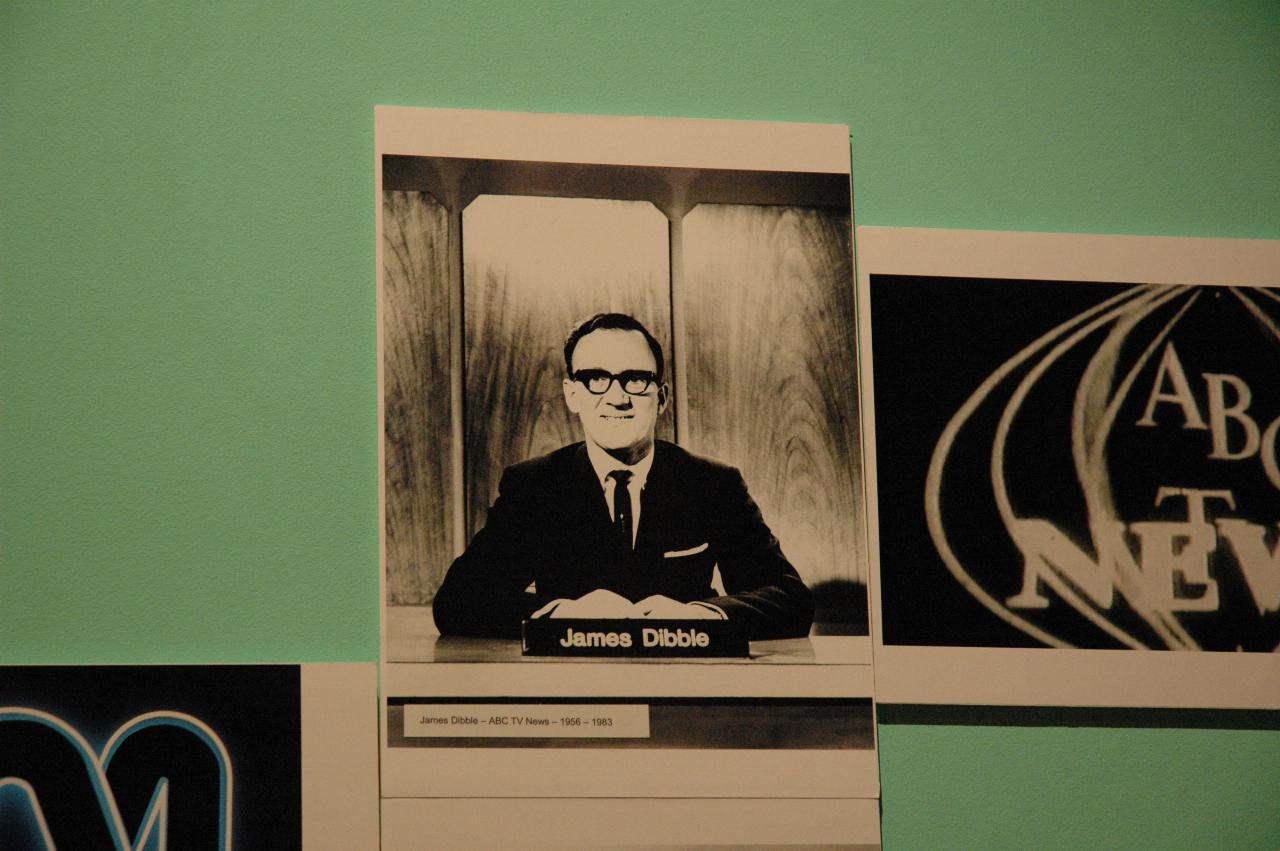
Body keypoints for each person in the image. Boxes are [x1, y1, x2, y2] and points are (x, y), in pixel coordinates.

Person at [432, 313, 813, 641]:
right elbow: (458, 601)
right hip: (573, 688)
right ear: (572, 395)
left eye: (635, 379)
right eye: (596, 379)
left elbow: (790, 597)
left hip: (685, 686)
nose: (617, 398)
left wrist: (700, 614)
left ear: (660, 398)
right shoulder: (535, 486)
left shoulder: (712, 483)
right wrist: (564, 612)